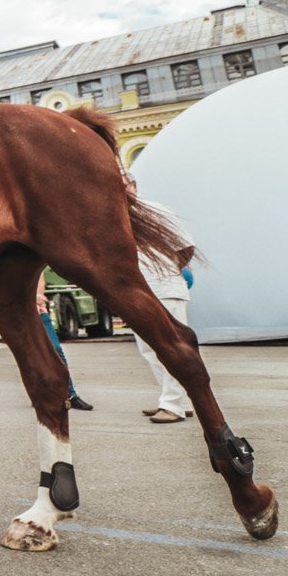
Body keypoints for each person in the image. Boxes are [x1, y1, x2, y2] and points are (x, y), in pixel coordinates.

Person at [125, 173, 197, 424]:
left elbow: (186, 246)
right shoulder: (115, 216)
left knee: (170, 347)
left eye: (124, 185)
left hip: (166, 289)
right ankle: (178, 401)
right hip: (138, 294)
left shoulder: (157, 211)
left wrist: (168, 271)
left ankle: (172, 405)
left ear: (134, 186)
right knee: (149, 350)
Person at [36, 272, 93, 411]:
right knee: (31, 356)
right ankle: (39, 394)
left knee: (56, 350)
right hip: (20, 314)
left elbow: (40, 279)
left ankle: (70, 395)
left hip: (39, 312)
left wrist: (37, 297)